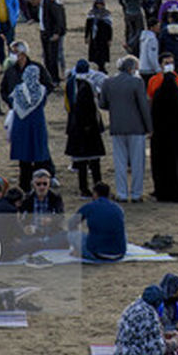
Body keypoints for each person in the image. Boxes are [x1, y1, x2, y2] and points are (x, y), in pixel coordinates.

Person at [99, 55, 152, 202]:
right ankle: (136, 193)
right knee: (137, 162)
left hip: (117, 126)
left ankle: (122, 193)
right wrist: (149, 127)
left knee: (120, 162)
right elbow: (143, 106)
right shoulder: (137, 82)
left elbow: (102, 104)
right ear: (131, 68)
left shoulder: (108, 82)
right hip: (136, 127)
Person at [150, 65, 178, 202]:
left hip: (161, 139)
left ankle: (163, 192)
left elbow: (153, 116)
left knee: (162, 166)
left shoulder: (158, 96)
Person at [65, 62, 106, 197]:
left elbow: (68, 105)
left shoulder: (70, 83)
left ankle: (84, 189)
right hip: (89, 129)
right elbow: (92, 108)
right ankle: (97, 187)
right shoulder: (88, 85)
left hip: (75, 126)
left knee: (81, 162)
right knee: (94, 163)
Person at [10, 64, 52, 192]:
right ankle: (38, 185)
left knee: (24, 161)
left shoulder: (18, 90)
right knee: (39, 158)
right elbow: (43, 103)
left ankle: (24, 186)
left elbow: (12, 104)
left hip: (22, 128)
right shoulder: (42, 90)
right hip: (37, 127)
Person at [67, 182, 127, 261]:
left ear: (95, 193)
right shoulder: (118, 208)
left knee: (72, 235)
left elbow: (71, 223)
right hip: (119, 253)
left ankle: (79, 252)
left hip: (97, 254)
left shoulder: (90, 206)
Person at [85, 0, 114, 73]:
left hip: (104, 37)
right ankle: (99, 66)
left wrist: (110, 39)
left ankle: (102, 67)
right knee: (95, 53)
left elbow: (110, 27)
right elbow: (88, 26)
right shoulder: (91, 13)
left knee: (103, 53)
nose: (99, 5)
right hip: (94, 37)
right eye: (98, 4)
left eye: (101, 4)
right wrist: (86, 36)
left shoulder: (107, 14)